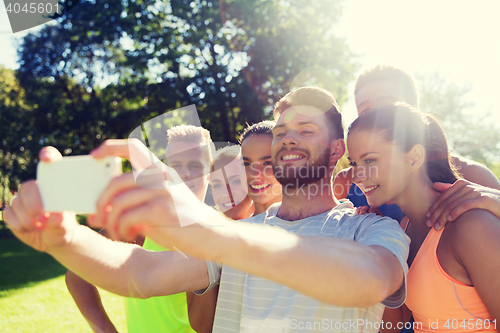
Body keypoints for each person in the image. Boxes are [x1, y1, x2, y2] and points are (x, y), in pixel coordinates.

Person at [5, 86, 409, 332]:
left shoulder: (370, 230)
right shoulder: (240, 234)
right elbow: (141, 273)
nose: (288, 139)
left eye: (306, 130)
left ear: (337, 149)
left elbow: (370, 280)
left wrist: (213, 233)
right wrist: (65, 238)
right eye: (282, 132)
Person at [346, 103, 500, 332]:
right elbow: (392, 326)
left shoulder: (470, 226)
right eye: (354, 163)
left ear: (414, 158)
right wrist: (373, 248)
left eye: (369, 161)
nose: (357, 175)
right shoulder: (402, 229)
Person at [65, 125, 215, 333]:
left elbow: (205, 326)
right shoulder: (142, 224)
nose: (186, 173)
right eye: (176, 164)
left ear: (211, 171)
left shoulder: (221, 231)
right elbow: (77, 274)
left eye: (195, 165)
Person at [333, 65, 500, 224]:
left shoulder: (469, 174)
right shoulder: (346, 182)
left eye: (387, 106)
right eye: (366, 111)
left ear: (413, 112)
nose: (377, 118)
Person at [239, 120, 283, 215]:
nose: (255, 175)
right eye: (246, 163)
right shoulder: (233, 229)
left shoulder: (316, 226)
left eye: (267, 163)